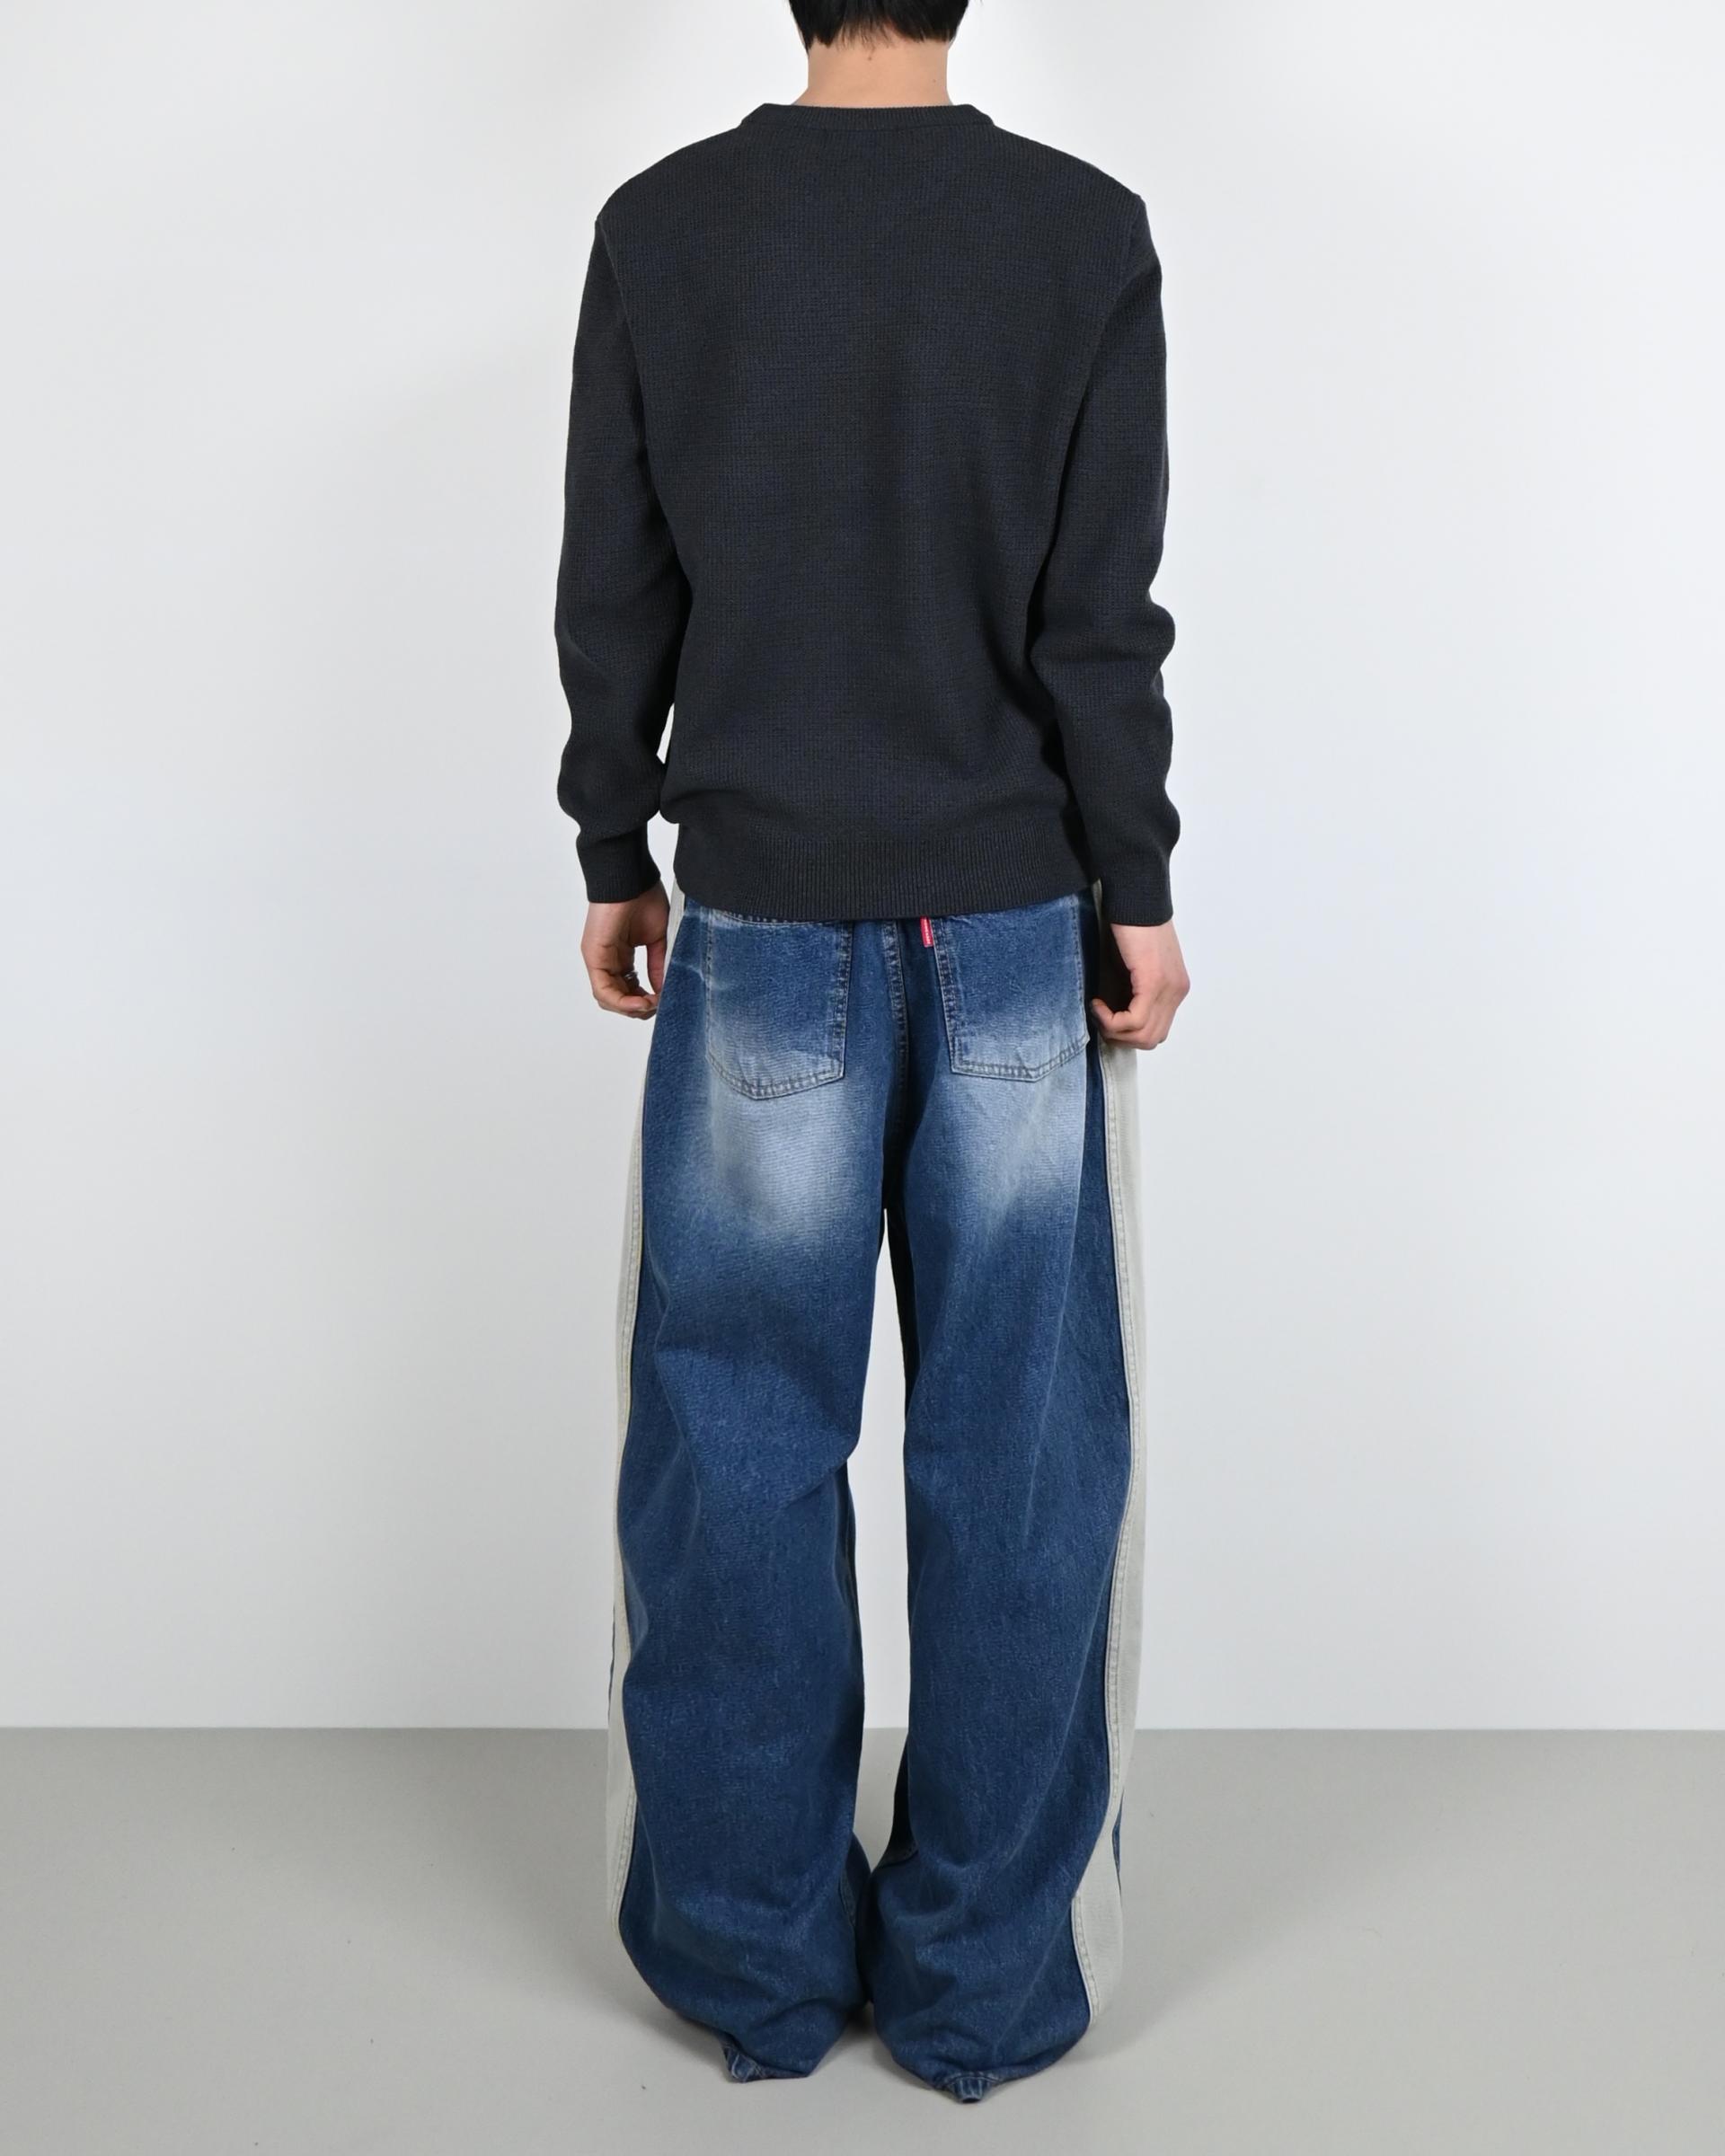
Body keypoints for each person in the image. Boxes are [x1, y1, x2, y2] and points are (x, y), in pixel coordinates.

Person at [553, 0, 1188, 2105]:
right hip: (1012, 927)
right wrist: (1135, 884)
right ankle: (983, 1994)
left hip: (754, 916)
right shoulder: (1080, 233)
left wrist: (615, 847)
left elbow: (614, 590)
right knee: (1019, 1457)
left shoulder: (665, 229)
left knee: (735, 1449)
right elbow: (1100, 619)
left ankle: (752, 1974)